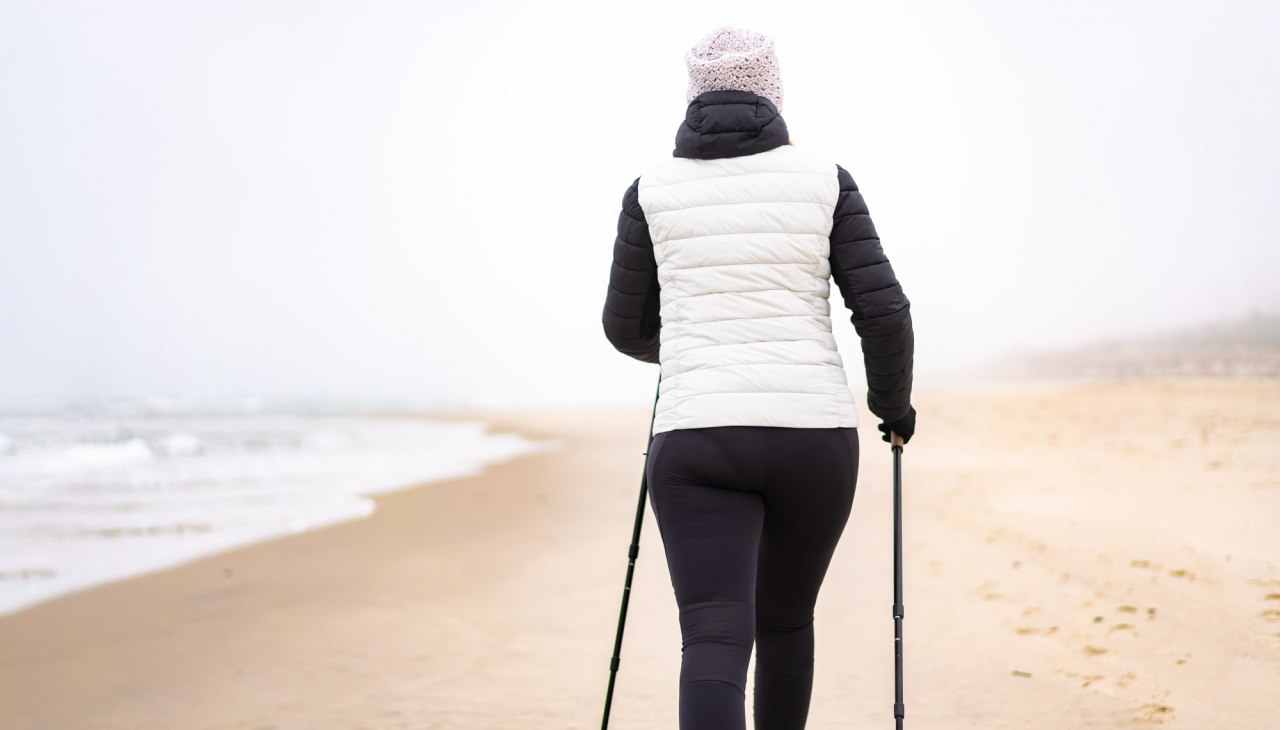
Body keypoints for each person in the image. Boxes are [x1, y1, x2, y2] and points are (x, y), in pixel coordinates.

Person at [601, 24, 916, 730]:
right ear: (774, 94)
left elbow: (625, 328)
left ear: (694, 98)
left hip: (697, 439)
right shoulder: (825, 180)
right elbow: (885, 312)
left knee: (712, 635)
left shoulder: (649, 191)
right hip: (814, 438)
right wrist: (892, 407)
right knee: (785, 623)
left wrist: (690, 349)